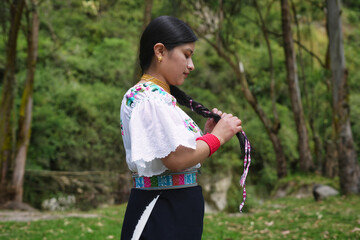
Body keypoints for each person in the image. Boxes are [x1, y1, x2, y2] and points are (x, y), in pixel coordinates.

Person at [120, 16, 243, 240]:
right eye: (186, 55)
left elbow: (183, 160)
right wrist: (217, 137)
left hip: (173, 207)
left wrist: (207, 137)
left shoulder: (159, 98)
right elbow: (175, 160)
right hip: (161, 209)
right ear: (160, 51)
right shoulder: (149, 99)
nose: (191, 65)